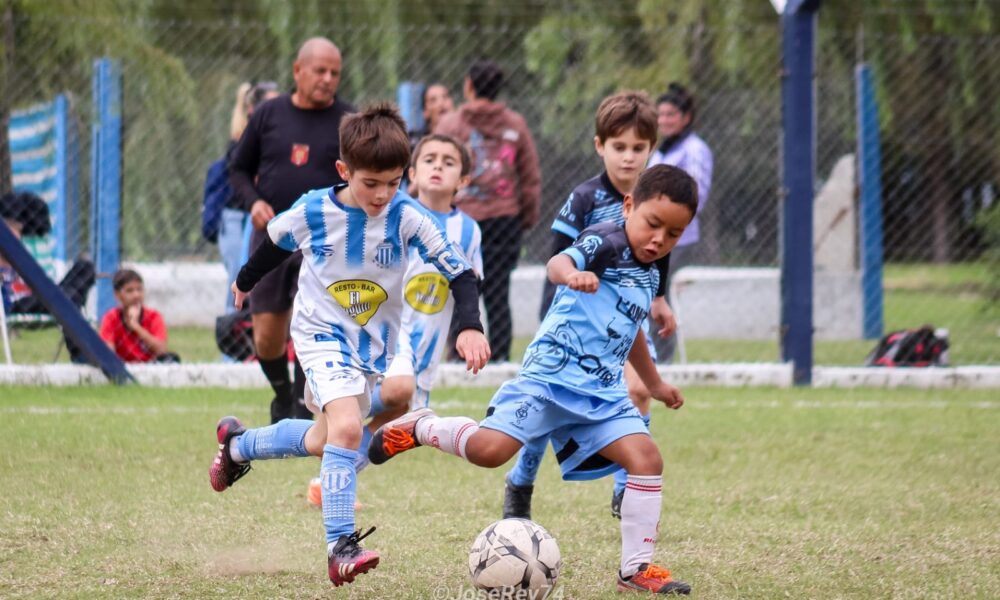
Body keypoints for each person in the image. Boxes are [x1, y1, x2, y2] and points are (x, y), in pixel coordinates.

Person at [368, 164, 698, 595]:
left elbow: (633, 324)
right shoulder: (604, 240)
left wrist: (652, 383)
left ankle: (635, 570)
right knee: (490, 452)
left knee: (647, 459)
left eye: (673, 234)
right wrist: (571, 275)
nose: (659, 239)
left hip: (601, 394)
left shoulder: (650, 272)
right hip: (549, 380)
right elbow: (558, 262)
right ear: (630, 205)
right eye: (653, 224)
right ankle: (422, 426)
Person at [207, 103, 491, 588]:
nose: (382, 195)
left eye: (393, 183)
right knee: (345, 429)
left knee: (324, 440)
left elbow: (460, 271)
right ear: (344, 171)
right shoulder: (316, 208)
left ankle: (237, 446)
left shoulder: (410, 216)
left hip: (371, 347)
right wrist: (246, 279)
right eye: (370, 183)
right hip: (320, 334)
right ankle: (341, 546)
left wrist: (470, 325)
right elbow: (276, 241)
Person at [517, 90, 677, 521]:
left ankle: (627, 488)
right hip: (574, 326)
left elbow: (658, 254)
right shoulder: (585, 198)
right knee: (540, 413)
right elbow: (558, 255)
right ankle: (520, 483)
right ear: (599, 146)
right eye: (619, 147)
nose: (628, 158)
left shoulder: (655, 196)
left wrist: (659, 300)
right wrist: (557, 308)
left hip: (626, 320)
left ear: (651, 149)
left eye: (638, 148)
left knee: (639, 388)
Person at [228, 37, 354, 423]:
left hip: (324, 243)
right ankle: (282, 394)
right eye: (320, 70)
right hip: (272, 237)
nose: (328, 79)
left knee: (312, 325)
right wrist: (254, 202)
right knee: (267, 335)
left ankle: (303, 404)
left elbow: (364, 174)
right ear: (298, 71)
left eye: (335, 72)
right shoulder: (268, 114)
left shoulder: (350, 121)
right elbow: (237, 169)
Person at [434, 59, 541, 362]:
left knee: (461, 287)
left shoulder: (451, 125)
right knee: (498, 291)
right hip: (505, 219)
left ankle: (458, 356)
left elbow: (432, 160)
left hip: (461, 220)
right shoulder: (515, 124)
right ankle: (502, 357)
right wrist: (527, 216)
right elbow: (530, 176)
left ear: (468, 86)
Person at [647, 83, 713, 363]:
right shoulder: (661, 152)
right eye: (660, 115)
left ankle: (663, 358)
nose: (664, 121)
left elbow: (698, 194)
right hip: (652, 237)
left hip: (679, 239)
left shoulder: (695, 150)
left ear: (686, 117)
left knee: (658, 292)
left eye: (671, 114)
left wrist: (668, 223)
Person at [206, 81, 280, 315]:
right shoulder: (244, 139)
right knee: (239, 280)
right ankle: (233, 342)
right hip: (240, 217)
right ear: (252, 109)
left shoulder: (281, 137)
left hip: (270, 215)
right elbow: (240, 173)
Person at [98, 269, 179, 363]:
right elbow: (108, 354)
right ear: (117, 295)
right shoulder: (111, 317)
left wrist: (136, 326)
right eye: (129, 291)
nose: (136, 295)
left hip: (151, 364)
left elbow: (162, 350)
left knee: (172, 360)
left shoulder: (154, 316)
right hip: (122, 365)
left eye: (139, 289)